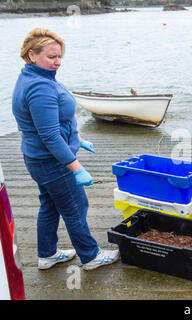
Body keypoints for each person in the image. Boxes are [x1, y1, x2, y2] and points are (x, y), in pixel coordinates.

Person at [12, 28, 119, 271]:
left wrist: (77, 137)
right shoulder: (41, 87)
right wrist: (76, 167)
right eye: (51, 57)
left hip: (37, 158)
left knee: (49, 205)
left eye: (59, 56)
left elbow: (52, 122)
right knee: (75, 206)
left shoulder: (30, 77)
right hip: (52, 161)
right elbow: (49, 135)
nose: (57, 62)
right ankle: (91, 256)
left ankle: (47, 254)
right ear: (32, 55)